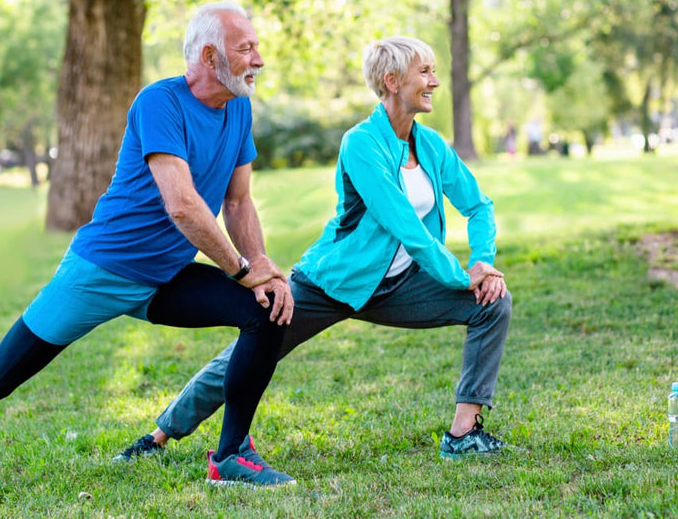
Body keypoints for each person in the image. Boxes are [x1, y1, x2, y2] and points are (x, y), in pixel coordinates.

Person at [0, 1, 303, 494]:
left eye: (256, 47)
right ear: (210, 57)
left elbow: (238, 201)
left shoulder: (239, 108)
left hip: (166, 277)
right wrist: (239, 269)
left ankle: (230, 455)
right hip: (103, 270)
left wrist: (265, 271)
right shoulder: (159, 103)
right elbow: (184, 206)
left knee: (267, 311)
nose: (258, 59)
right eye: (246, 48)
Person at [113, 36, 514, 463]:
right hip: (331, 283)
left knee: (492, 304)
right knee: (249, 352)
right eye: (425, 72)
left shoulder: (431, 145)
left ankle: (463, 432)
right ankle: (159, 434)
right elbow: (406, 226)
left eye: (434, 71)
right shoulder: (361, 144)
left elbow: (479, 206)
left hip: (399, 286)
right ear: (393, 80)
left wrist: (483, 262)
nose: (434, 81)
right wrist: (458, 276)